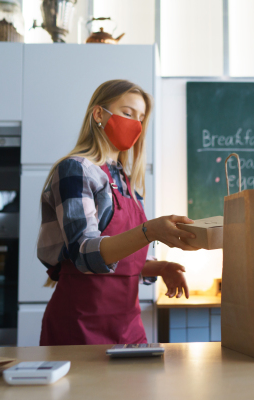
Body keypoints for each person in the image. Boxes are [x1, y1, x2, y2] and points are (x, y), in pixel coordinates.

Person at [37, 80, 198, 346]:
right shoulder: (76, 170)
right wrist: (150, 231)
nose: (136, 123)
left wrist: (162, 267)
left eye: (141, 117)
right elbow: (85, 254)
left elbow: (125, 261)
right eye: (127, 113)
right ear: (99, 114)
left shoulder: (126, 181)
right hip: (80, 324)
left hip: (129, 326)